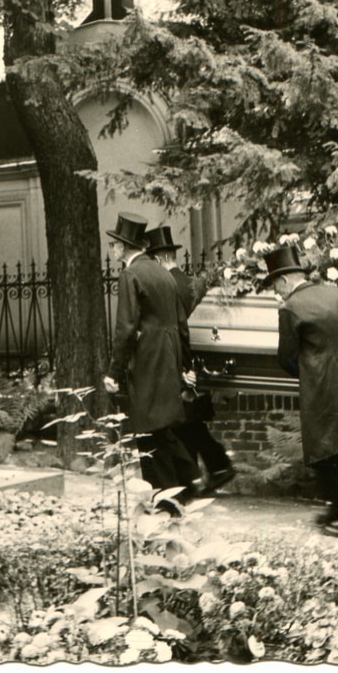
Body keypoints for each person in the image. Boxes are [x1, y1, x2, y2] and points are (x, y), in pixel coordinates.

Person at [262, 245, 338, 539]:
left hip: (322, 387)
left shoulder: (290, 308)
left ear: (286, 280)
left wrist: (308, 372)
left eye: (275, 285)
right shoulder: (336, 292)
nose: (276, 292)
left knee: (329, 453)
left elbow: (285, 356)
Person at [103, 213, 200, 511]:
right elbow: (182, 324)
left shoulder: (131, 275)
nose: (112, 250)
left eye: (114, 245)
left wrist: (113, 373)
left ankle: (166, 502)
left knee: (148, 432)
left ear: (123, 248)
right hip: (169, 358)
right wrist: (186, 365)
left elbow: (126, 328)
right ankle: (186, 485)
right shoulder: (163, 273)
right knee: (165, 428)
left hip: (148, 360)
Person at [146, 225, 237, 494]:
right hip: (199, 361)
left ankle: (194, 479)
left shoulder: (166, 287)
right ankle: (216, 467)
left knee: (181, 423)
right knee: (190, 423)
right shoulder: (191, 283)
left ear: (160, 259)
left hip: (180, 364)